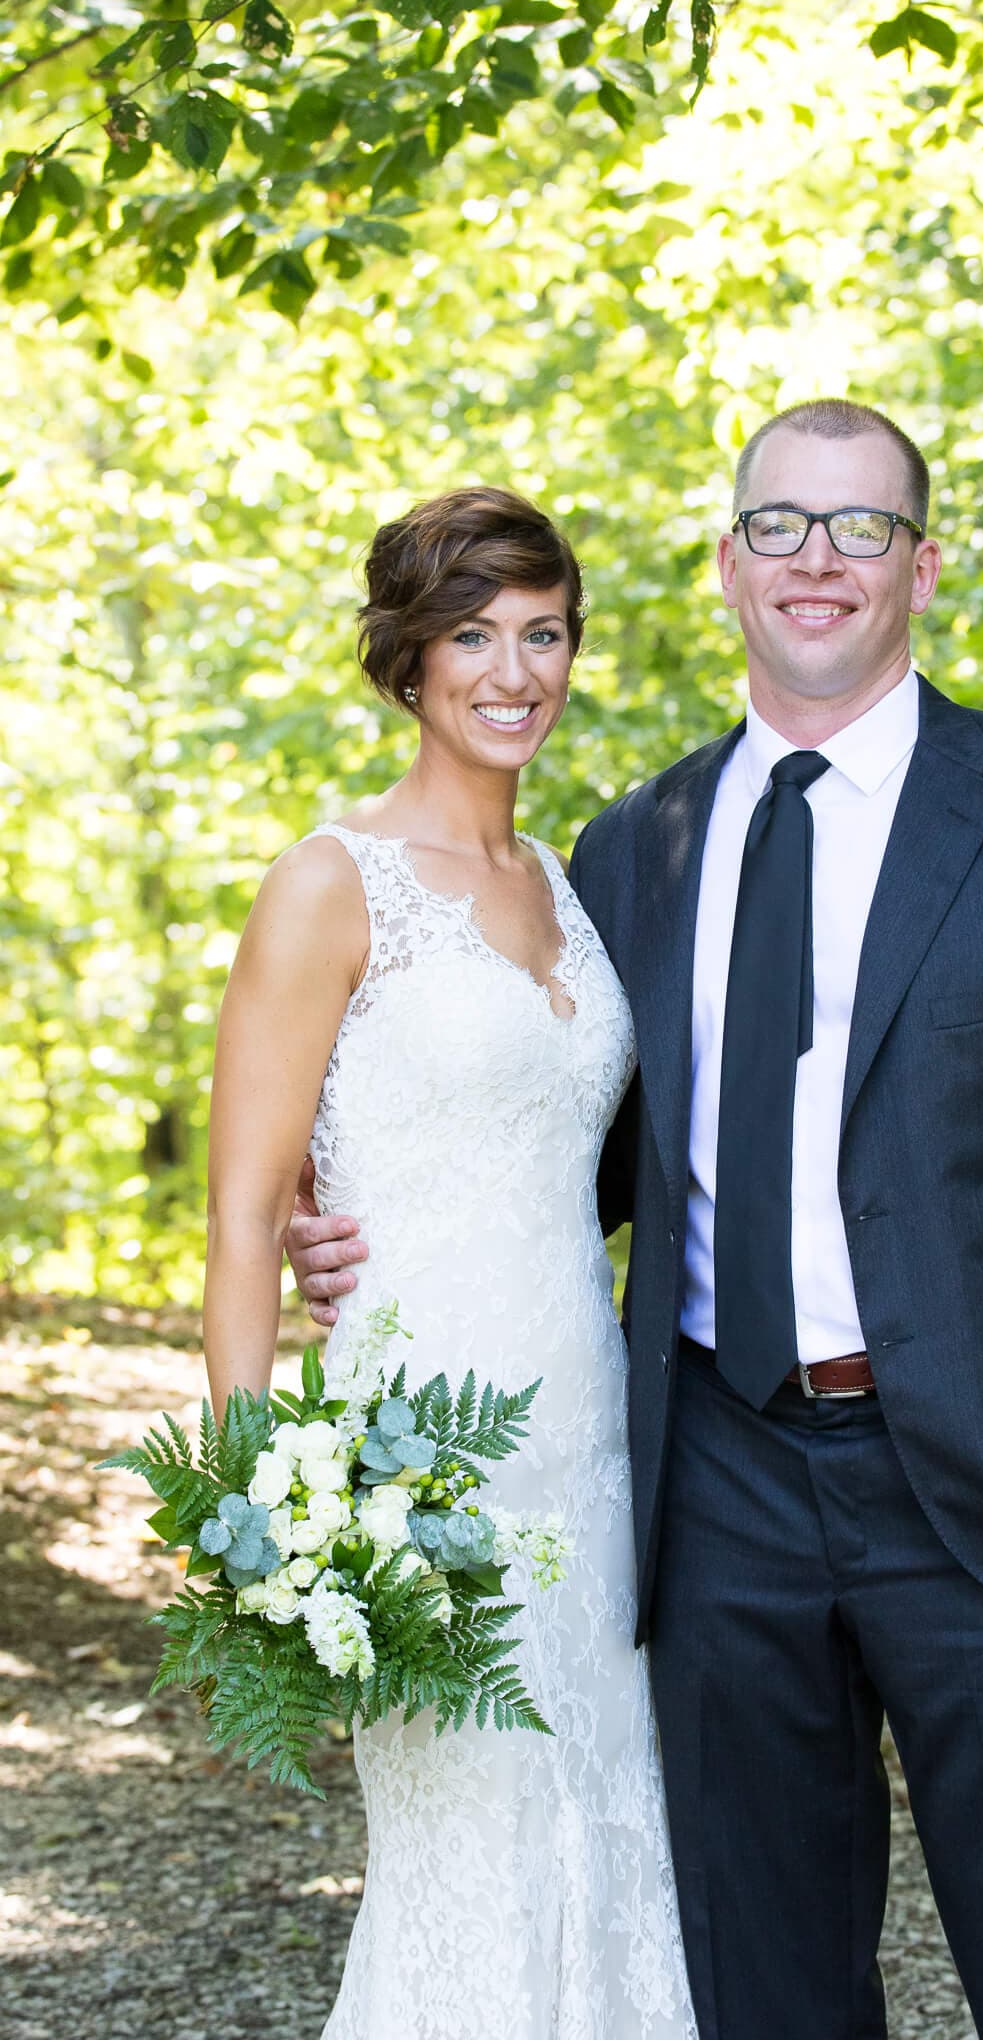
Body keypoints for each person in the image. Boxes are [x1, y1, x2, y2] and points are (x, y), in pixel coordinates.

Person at [289, 403, 983, 2040]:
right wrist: (353, 1202)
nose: (816, 560)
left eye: (859, 528)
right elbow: (569, 1145)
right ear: (725, 564)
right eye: (778, 525)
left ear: (920, 565)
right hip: (716, 1493)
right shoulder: (628, 849)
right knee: (762, 1988)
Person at [205, 485, 697, 2040]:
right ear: (407, 660)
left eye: (542, 633)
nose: (513, 670)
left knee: (617, 1844)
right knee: (470, 1862)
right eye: (471, 635)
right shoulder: (329, 881)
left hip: (601, 1454)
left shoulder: (572, 881)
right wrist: (256, 1515)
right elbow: (240, 1212)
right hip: (419, 1468)